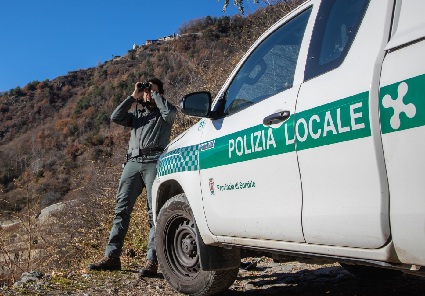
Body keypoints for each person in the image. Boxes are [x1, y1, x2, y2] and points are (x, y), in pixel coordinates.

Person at [88, 78, 176, 278]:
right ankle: (112, 257)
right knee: (121, 210)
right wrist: (133, 96)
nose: (148, 94)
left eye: (152, 91)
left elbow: (171, 115)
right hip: (132, 162)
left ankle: (152, 260)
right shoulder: (137, 114)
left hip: (155, 161)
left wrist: (155, 95)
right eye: (146, 91)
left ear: (160, 93)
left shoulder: (163, 112)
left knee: (154, 212)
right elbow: (115, 117)